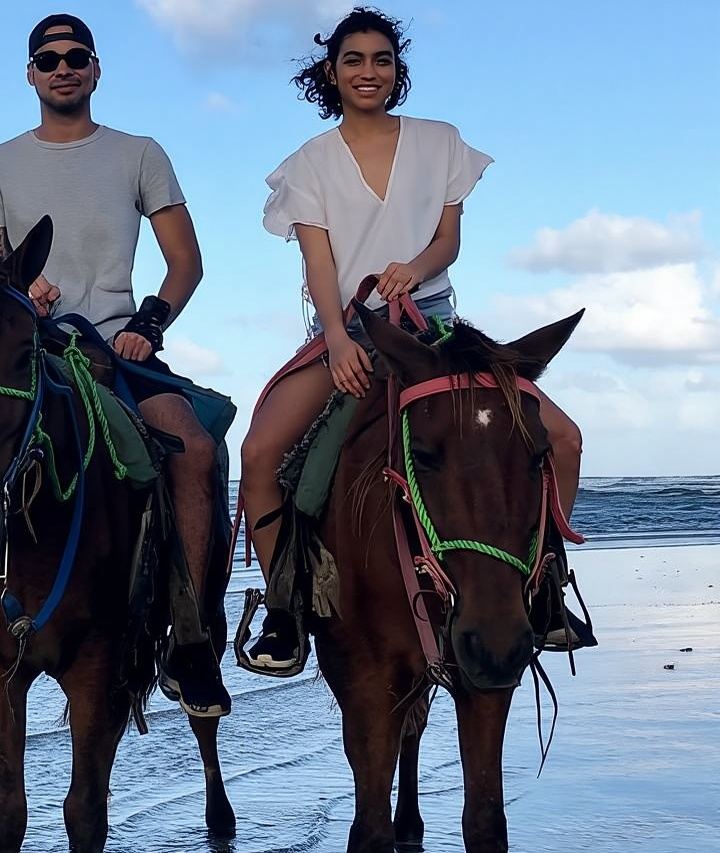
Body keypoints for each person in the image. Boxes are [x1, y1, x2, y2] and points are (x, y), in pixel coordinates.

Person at [0, 13, 231, 729]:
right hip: (28, 351)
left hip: (116, 346)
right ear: (31, 74)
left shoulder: (139, 153)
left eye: (77, 57)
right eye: (48, 58)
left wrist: (148, 324)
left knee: (194, 450)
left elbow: (186, 263)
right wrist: (20, 294)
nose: (63, 67)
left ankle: (192, 639)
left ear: (97, 70)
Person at [238, 8, 589, 671]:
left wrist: (415, 269)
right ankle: (286, 608)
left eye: (381, 60)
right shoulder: (307, 165)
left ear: (397, 71)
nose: (367, 72)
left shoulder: (441, 141)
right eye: (353, 60)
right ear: (330, 74)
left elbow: (448, 240)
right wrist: (339, 340)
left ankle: (542, 584)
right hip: (350, 330)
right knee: (259, 452)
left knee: (564, 437)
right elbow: (318, 265)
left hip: (436, 325)